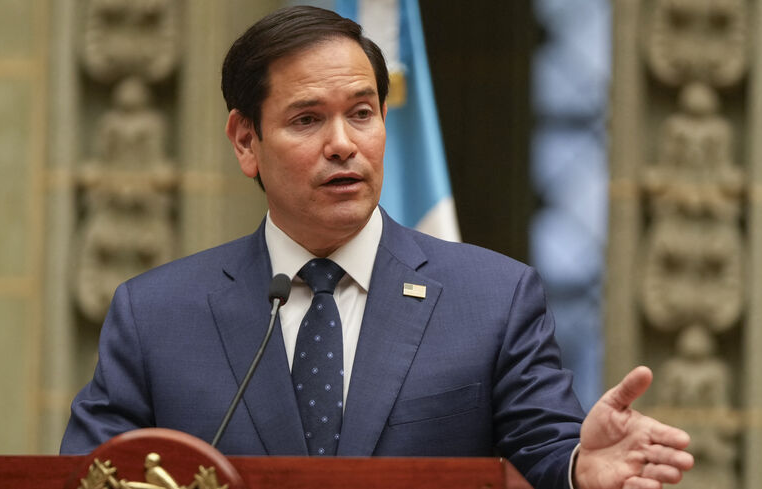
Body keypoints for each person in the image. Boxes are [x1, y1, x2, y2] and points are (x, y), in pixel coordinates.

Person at [61, 6, 693, 489]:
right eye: (307, 120)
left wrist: (583, 464)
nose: (344, 143)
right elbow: (92, 475)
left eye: (363, 112)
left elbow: (547, 446)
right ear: (245, 140)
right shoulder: (156, 315)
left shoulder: (493, 298)